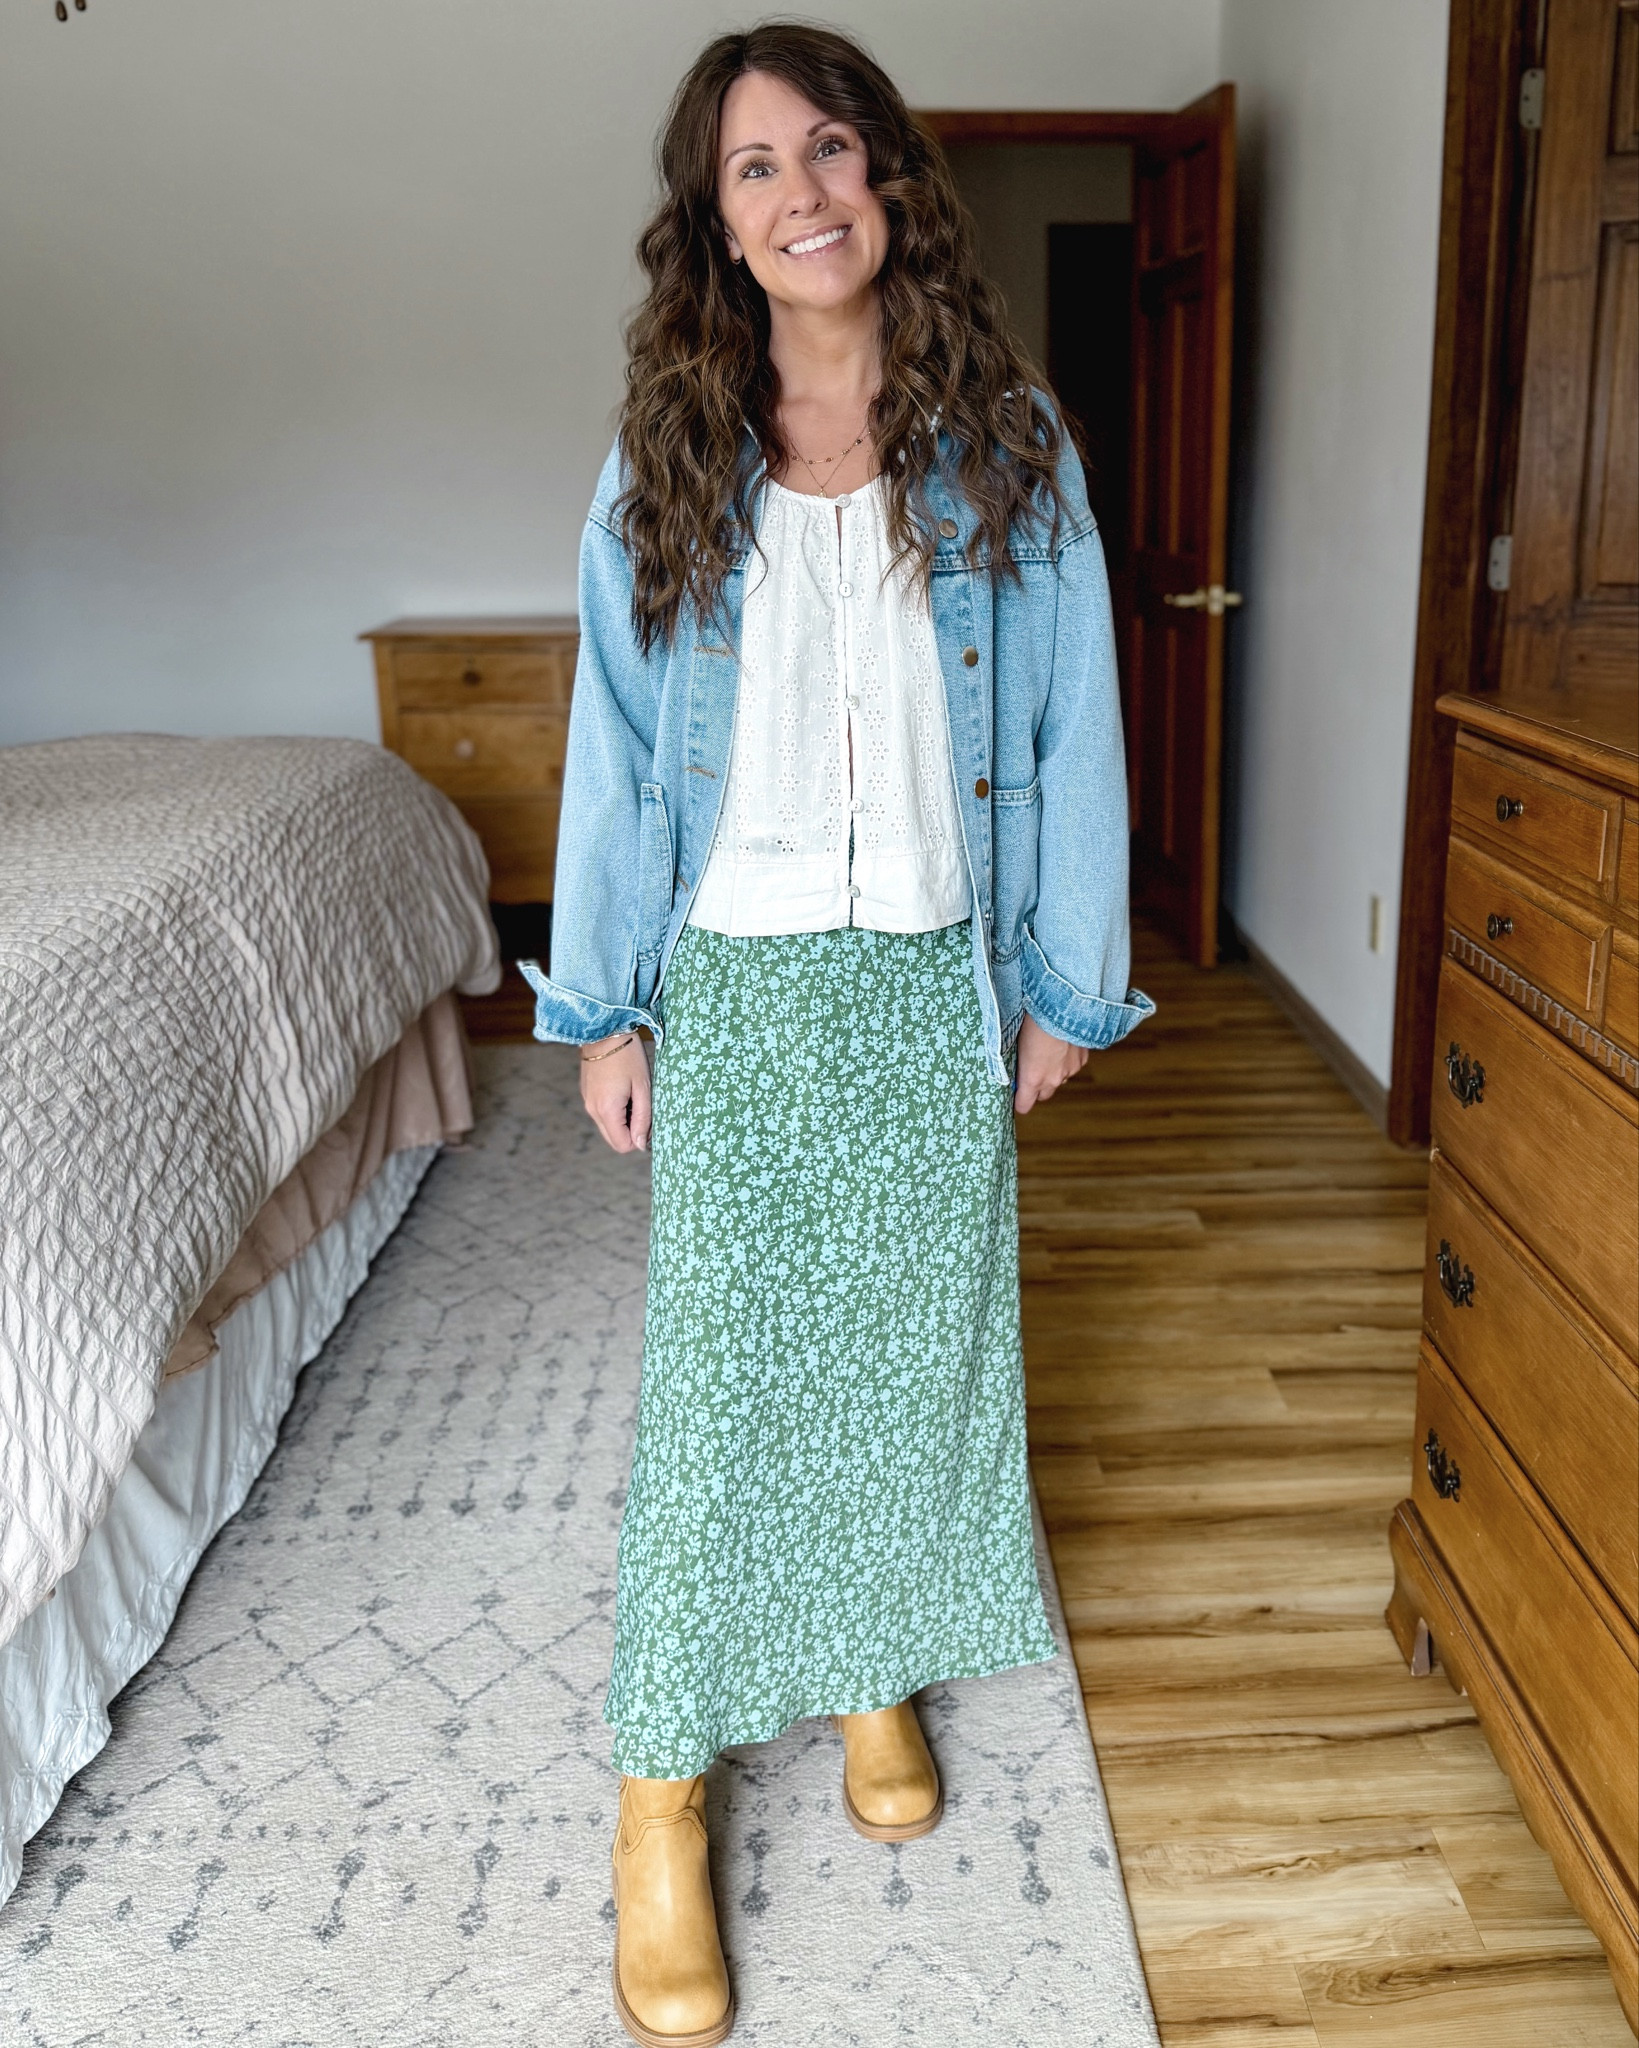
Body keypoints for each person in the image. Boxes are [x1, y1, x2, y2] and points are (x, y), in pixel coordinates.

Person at [521, 23, 1153, 2045]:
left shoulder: (1012, 438)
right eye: (754, 172)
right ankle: (657, 1793)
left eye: (831, 151)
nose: (805, 196)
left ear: (887, 179)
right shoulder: (665, 447)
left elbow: (1071, 734)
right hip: (740, 975)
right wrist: (605, 1005)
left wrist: (1063, 982)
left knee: (911, 1348)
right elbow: (617, 759)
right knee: (720, 1394)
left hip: (928, 971)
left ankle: (875, 1652)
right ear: (715, 225)